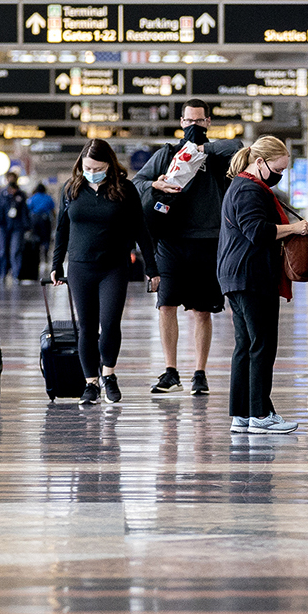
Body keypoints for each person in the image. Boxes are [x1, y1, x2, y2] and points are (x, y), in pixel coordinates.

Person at [131, 100, 232, 398]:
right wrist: (157, 185)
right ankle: (170, 370)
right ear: (180, 121)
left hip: (208, 242)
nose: (193, 127)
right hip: (171, 241)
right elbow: (137, 183)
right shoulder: (167, 154)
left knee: (203, 310)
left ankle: (199, 373)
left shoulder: (217, 157)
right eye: (188, 121)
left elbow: (239, 147)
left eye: (199, 122)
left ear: (209, 122)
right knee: (166, 305)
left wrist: (202, 149)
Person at [218, 136, 308, 435]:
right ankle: (260, 414)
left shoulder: (243, 186)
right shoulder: (249, 189)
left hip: (237, 275)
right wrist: (295, 228)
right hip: (251, 276)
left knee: (246, 346)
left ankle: (243, 415)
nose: (280, 174)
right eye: (278, 168)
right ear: (259, 162)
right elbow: (257, 232)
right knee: (261, 345)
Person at [52, 139, 149, 407]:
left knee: (109, 324)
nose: (91, 171)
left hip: (114, 266)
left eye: (97, 167)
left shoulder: (124, 190)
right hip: (80, 266)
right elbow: (62, 229)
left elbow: (140, 229)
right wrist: (56, 263)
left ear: (109, 164)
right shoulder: (71, 188)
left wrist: (152, 268)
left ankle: (109, 374)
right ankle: (90, 383)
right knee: (86, 327)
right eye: (87, 166)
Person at [0, 175, 28, 284]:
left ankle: (16, 274)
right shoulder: (1, 195)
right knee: (3, 251)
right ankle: (3, 273)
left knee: (15, 250)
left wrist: (26, 226)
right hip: (3, 227)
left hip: (17, 227)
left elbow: (25, 211)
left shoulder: (21, 195)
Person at [27, 179, 56, 274]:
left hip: (35, 221)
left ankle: (37, 259)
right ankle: (46, 259)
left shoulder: (32, 198)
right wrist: (54, 223)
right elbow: (53, 211)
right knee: (46, 240)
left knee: (36, 240)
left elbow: (28, 210)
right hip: (45, 220)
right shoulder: (48, 198)